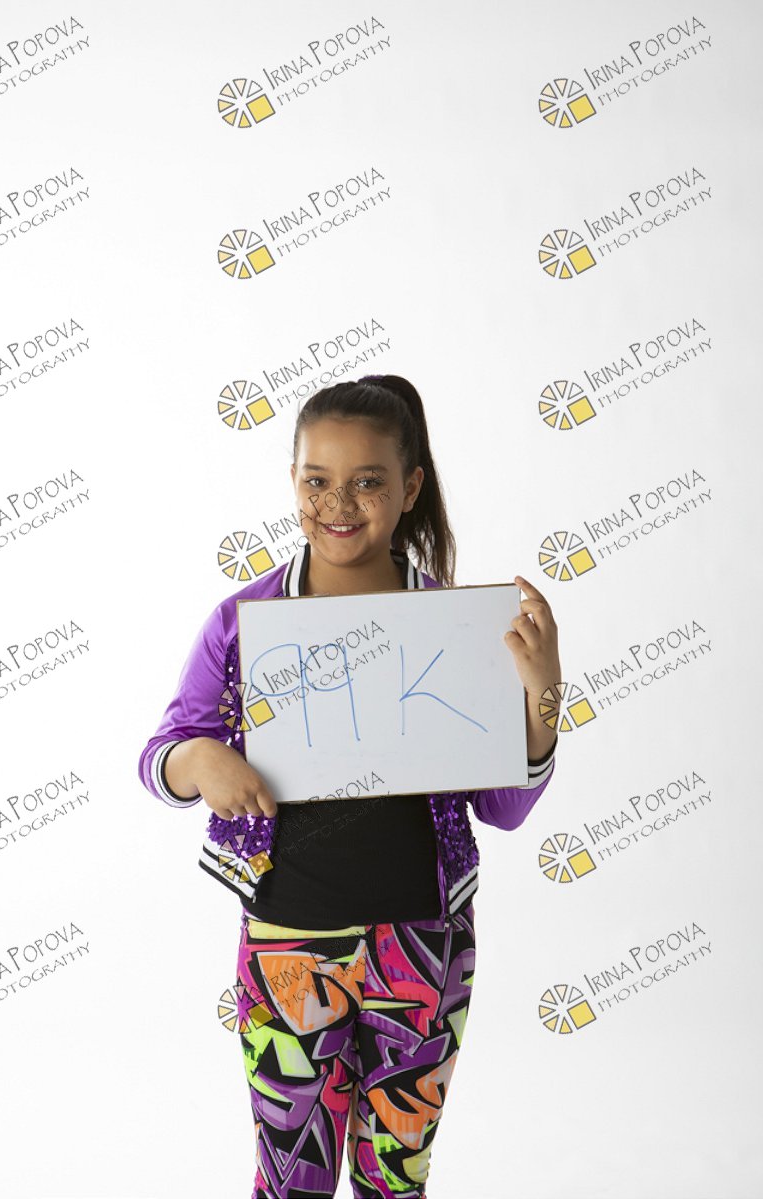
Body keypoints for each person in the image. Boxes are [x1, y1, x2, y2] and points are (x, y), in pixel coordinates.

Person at [137, 374, 562, 1198]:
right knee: (290, 1177)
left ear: (410, 487)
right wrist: (201, 760)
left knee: (395, 1178)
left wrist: (541, 698)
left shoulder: (456, 624)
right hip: (288, 945)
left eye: (367, 481)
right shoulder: (242, 620)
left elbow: (504, 807)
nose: (338, 503)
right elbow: (161, 753)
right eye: (316, 480)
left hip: (424, 947)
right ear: (292, 481)